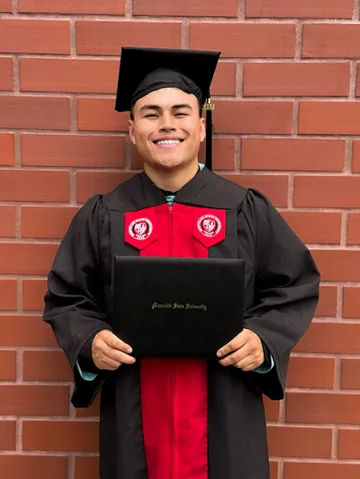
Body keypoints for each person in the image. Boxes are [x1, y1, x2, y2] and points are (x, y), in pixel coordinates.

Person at [43, 47, 320, 479]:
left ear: (201, 125)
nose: (167, 124)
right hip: (135, 412)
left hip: (224, 413)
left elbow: (295, 285)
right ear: (132, 131)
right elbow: (67, 297)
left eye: (181, 111)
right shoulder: (104, 215)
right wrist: (89, 341)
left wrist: (262, 340)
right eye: (150, 113)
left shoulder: (243, 209)